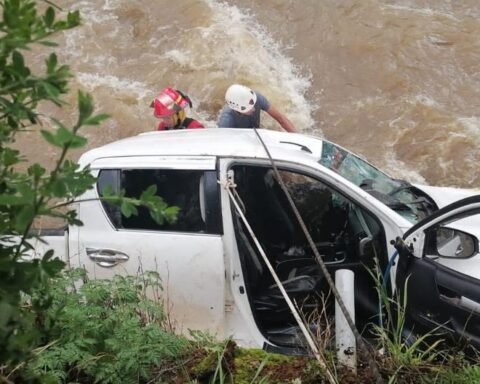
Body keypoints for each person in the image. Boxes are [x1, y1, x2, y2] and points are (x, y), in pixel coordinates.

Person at [217, 84, 297, 132]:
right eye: (249, 108)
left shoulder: (256, 97)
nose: (254, 109)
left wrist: (298, 137)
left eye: (253, 105)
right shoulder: (226, 120)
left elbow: (280, 118)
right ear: (237, 109)